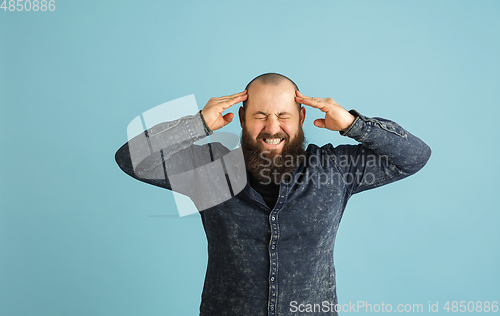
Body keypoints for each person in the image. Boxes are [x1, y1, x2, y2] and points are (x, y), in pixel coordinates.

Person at [115, 73, 431, 315]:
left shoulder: (335, 169)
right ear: (241, 118)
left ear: (301, 118)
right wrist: (197, 123)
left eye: (283, 115)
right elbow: (132, 159)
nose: (272, 127)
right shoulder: (210, 170)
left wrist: (352, 124)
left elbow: (414, 156)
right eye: (260, 115)